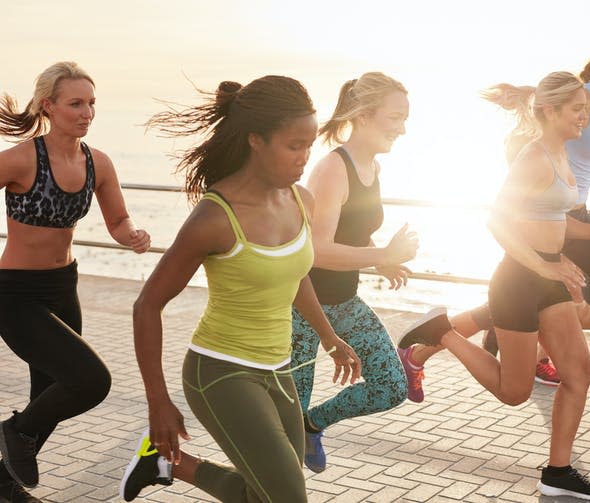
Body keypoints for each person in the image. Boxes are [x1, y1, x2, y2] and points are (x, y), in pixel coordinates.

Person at [119, 76, 361, 502]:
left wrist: (329, 336)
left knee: (266, 493)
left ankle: (166, 463)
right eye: (294, 145)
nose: (305, 157)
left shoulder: (301, 200)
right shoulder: (215, 217)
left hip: (279, 368)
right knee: (288, 497)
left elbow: (294, 273)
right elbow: (148, 305)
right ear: (256, 141)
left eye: (309, 144)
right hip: (220, 371)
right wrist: (157, 402)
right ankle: (162, 454)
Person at [399, 71, 590, 500]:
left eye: (586, 109)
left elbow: (557, 219)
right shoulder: (534, 157)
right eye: (577, 109)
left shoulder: (561, 155)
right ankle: (441, 331)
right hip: (520, 281)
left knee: (578, 374)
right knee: (514, 392)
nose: (584, 116)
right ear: (550, 110)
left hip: (548, 278)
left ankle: (558, 472)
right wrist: (543, 267)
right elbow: (496, 219)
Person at [0, 61, 150, 500]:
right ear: (49, 106)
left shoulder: (96, 162)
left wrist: (133, 236)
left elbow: (118, 220)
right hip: (15, 294)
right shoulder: (22, 158)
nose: (86, 112)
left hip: (64, 289)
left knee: (49, 395)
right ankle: (13, 430)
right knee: (90, 381)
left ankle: (5, 486)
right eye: (75, 103)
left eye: (91, 103)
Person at [290, 72, 416, 473]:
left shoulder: (372, 167)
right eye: (395, 118)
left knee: (392, 387)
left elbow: (348, 236)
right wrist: (380, 253)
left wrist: (382, 259)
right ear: (363, 115)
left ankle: (314, 424)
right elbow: (316, 251)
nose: (402, 128)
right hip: (302, 309)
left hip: (344, 303)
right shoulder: (332, 169)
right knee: (285, 420)